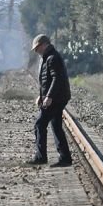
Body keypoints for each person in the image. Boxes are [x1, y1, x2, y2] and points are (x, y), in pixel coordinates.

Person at [28, 34, 73, 167]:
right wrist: (41, 96)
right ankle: (65, 158)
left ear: (44, 44)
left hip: (57, 98)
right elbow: (45, 81)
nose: (36, 51)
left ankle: (41, 157)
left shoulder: (52, 58)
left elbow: (56, 79)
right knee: (56, 126)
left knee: (39, 124)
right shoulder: (47, 57)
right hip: (57, 97)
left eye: (37, 48)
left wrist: (49, 97)